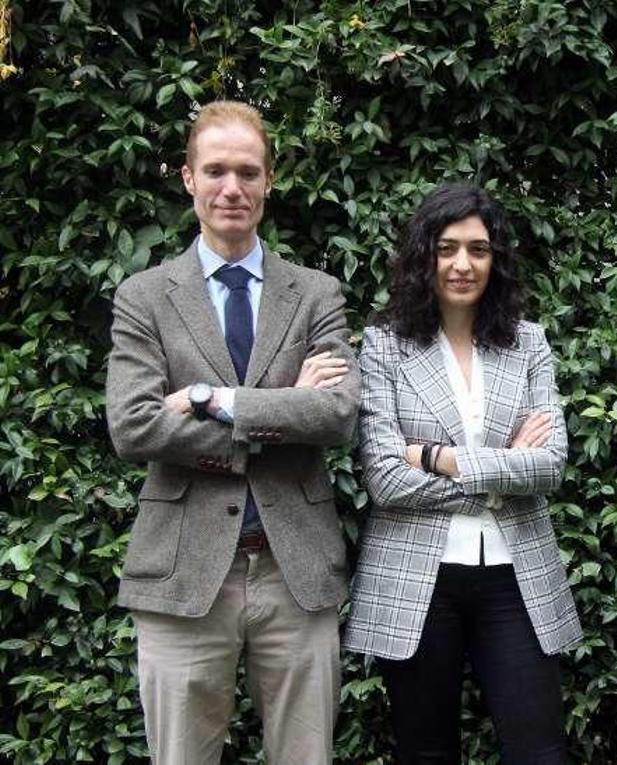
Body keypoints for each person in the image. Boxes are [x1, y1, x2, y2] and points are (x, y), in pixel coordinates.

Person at [105, 100, 360, 764]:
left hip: (295, 570)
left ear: (270, 180)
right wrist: (281, 409)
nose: (232, 188)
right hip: (183, 572)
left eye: (248, 172)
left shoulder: (315, 294)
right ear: (187, 177)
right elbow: (133, 426)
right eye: (215, 170)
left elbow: (336, 414)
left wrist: (206, 398)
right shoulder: (145, 296)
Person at [344, 182, 582, 764]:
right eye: (447, 248)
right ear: (424, 254)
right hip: (416, 576)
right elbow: (384, 475)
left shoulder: (527, 343)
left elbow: (549, 465)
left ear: (495, 259)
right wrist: (503, 470)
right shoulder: (384, 346)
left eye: (478, 249)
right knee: (426, 753)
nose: (462, 264)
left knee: (539, 752)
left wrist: (434, 457)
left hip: (516, 571)